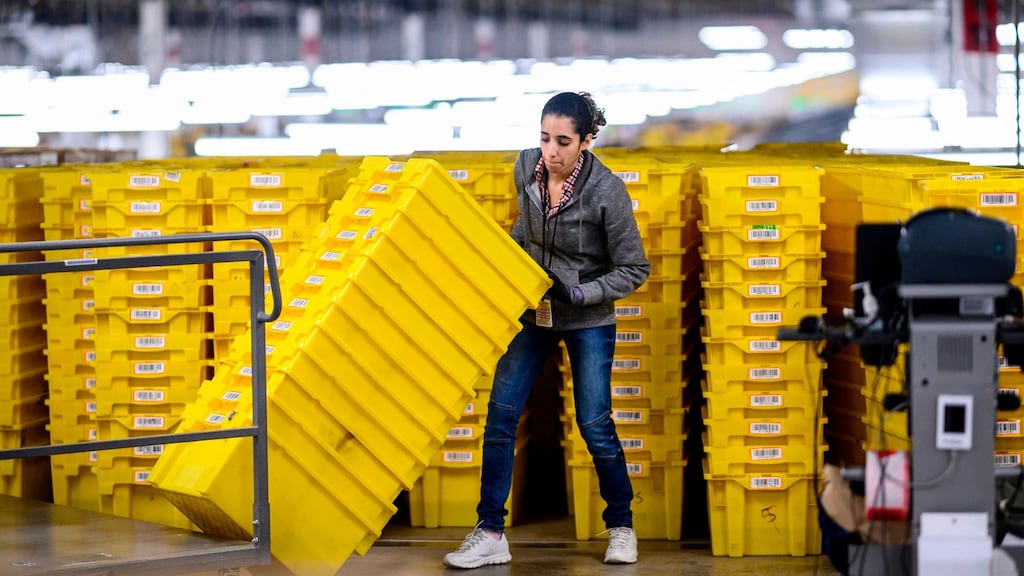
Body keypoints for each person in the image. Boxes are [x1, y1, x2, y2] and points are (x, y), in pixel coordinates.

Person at [442, 91, 651, 569]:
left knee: (594, 425)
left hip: (587, 317)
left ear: (587, 140)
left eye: (562, 142)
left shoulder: (607, 192)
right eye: (544, 138)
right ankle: (490, 532)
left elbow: (634, 268)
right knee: (500, 416)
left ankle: (621, 526)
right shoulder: (525, 168)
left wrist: (580, 292)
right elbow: (527, 229)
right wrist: (508, 261)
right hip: (534, 312)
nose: (550, 152)